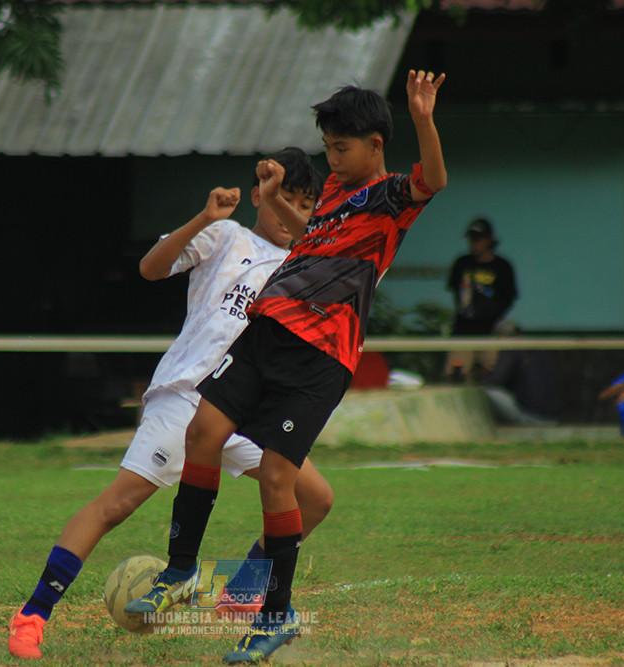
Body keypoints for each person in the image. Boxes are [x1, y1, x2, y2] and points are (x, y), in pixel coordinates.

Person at [125, 71, 446, 664]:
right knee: (203, 433)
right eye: (327, 146)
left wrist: (423, 118)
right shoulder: (331, 195)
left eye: (341, 148)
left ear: (375, 145)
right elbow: (315, 240)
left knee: (277, 477)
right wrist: (272, 200)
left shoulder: (393, 197)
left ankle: (274, 614)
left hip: (319, 356)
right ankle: (180, 570)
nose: (332, 157)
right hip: (265, 332)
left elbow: (435, 178)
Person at [7, 147, 331, 660]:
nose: (290, 213)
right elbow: (150, 269)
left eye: (304, 205)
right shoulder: (227, 237)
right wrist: (204, 216)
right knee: (118, 503)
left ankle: (242, 594)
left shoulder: (310, 265)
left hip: (249, 408)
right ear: (256, 195)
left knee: (314, 498)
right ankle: (33, 614)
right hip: (189, 396)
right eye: (281, 199)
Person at [445, 217, 518, 381]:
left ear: (489, 240)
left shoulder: (502, 266)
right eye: (471, 239)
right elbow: (455, 293)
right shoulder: (462, 263)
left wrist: (491, 316)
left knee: (493, 375)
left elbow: (509, 297)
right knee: (457, 375)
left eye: (478, 239)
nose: (474, 243)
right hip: (462, 331)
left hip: (490, 331)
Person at [480, 320, 562, 425]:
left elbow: (496, 380)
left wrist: (480, 377)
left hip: (532, 416)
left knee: (489, 391)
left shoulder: (511, 348)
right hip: (553, 417)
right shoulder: (537, 350)